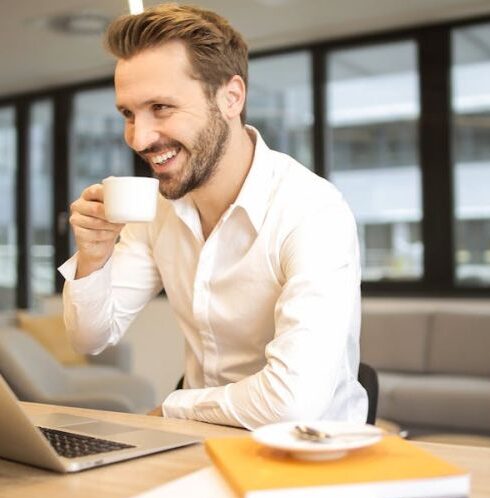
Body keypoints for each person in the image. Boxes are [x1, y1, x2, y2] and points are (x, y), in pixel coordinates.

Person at [60, 3, 367, 429]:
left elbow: (292, 403)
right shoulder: (159, 211)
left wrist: (174, 406)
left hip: (307, 456)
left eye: (161, 108)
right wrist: (93, 256)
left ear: (231, 97)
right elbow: (90, 338)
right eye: (129, 114)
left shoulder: (313, 211)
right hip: (199, 447)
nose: (139, 138)